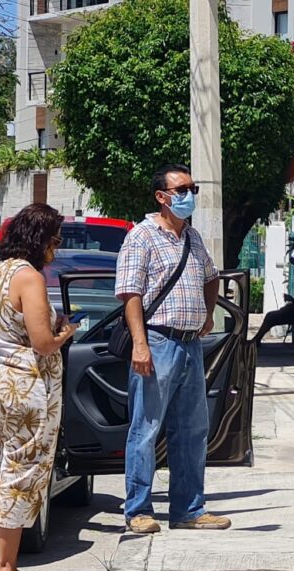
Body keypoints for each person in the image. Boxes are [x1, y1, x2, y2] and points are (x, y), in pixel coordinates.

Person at [114, 164, 231, 534]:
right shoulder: (142, 237)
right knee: (145, 429)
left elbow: (211, 278)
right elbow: (130, 294)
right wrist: (140, 343)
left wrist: (208, 314)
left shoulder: (192, 238)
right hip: (158, 341)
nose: (189, 196)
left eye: (192, 189)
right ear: (161, 197)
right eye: (181, 190)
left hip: (190, 344)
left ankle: (189, 509)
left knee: (193, 430)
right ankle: (139, 510)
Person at [0, 203, 77, 571]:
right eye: (55, 240)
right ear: (40, 240)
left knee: (0, 473)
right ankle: (7, 569)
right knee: (22, 475)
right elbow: (43, 343)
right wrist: (66, 331)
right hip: (26, 387)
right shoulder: (29, 278)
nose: (57, 248)